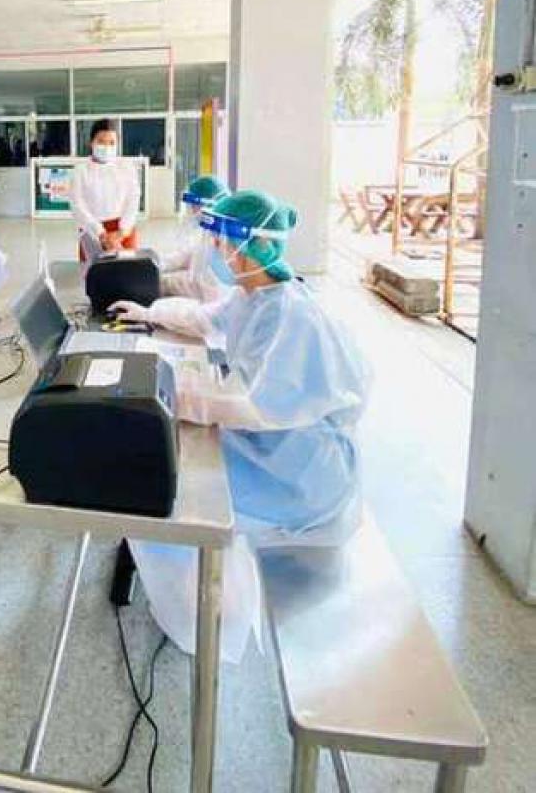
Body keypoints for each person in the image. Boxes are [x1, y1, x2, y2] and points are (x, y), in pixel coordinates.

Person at [111, 190, 370, 662]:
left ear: (246, 247)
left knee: (177, 492)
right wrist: (149, 313)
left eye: (220, 242)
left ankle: (211, 612)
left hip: (298, 471)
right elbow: (204, 317)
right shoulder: (254, 297)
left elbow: (255, 407)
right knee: (172, 471)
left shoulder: (293, 315)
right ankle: (192, 590)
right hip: (269, 448)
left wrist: (171, 393)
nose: (213, 250)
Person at [70, 119, 140, 260]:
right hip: (92, 232)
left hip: (123, 231)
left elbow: (133, 199)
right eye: (101, 141)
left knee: (127, 270)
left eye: (112, 143)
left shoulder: (126, 167)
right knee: (94, 271)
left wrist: (121, 233)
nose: (106, 147)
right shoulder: (81, 170)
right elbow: (77, 205)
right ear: (92, 143)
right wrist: (101, 233)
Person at [161, 174, 229, 299]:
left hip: (205, 302)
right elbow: (186, 255)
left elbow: (199, 284)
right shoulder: (208, 232)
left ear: (207, 205)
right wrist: (156, 263)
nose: (191, 210)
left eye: (193, 205)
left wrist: (163, 282)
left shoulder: (221, 240)